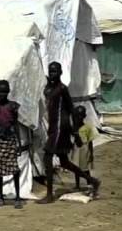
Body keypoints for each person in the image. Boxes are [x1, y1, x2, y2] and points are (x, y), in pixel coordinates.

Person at [40, 62, 100, 203]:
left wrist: (75, 133)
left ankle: (49, 195)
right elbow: (47, 96)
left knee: (48, 158)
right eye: (50, 71)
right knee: (64, 161)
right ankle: (92, 180)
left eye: (55, 71)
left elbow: (72, 110)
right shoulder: (49, 88)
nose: (52, 74)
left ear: (60, 73)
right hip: (54, 127)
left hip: (61, 127)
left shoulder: (62, 89)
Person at [0, 79, 24, 208]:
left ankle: (18, 197)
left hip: (10, 141)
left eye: (4, 91)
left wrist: (19, 143)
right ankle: (1, 196)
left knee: (14, 169)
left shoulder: (13, 106)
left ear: (8, 92)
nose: (2, 94)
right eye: (0, 92)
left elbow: (16, 125)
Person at [71, 106, 97, 191]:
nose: (79, 118)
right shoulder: (73, 128)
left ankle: (89, 183)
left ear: (84, 116)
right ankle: (77, 185)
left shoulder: (87, 127)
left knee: (85, 168)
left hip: (84, 149)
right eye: (77, 116)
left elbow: (90, 142)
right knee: (76, 167)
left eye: (81, 116)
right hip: (76, 148)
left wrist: (91, 154)